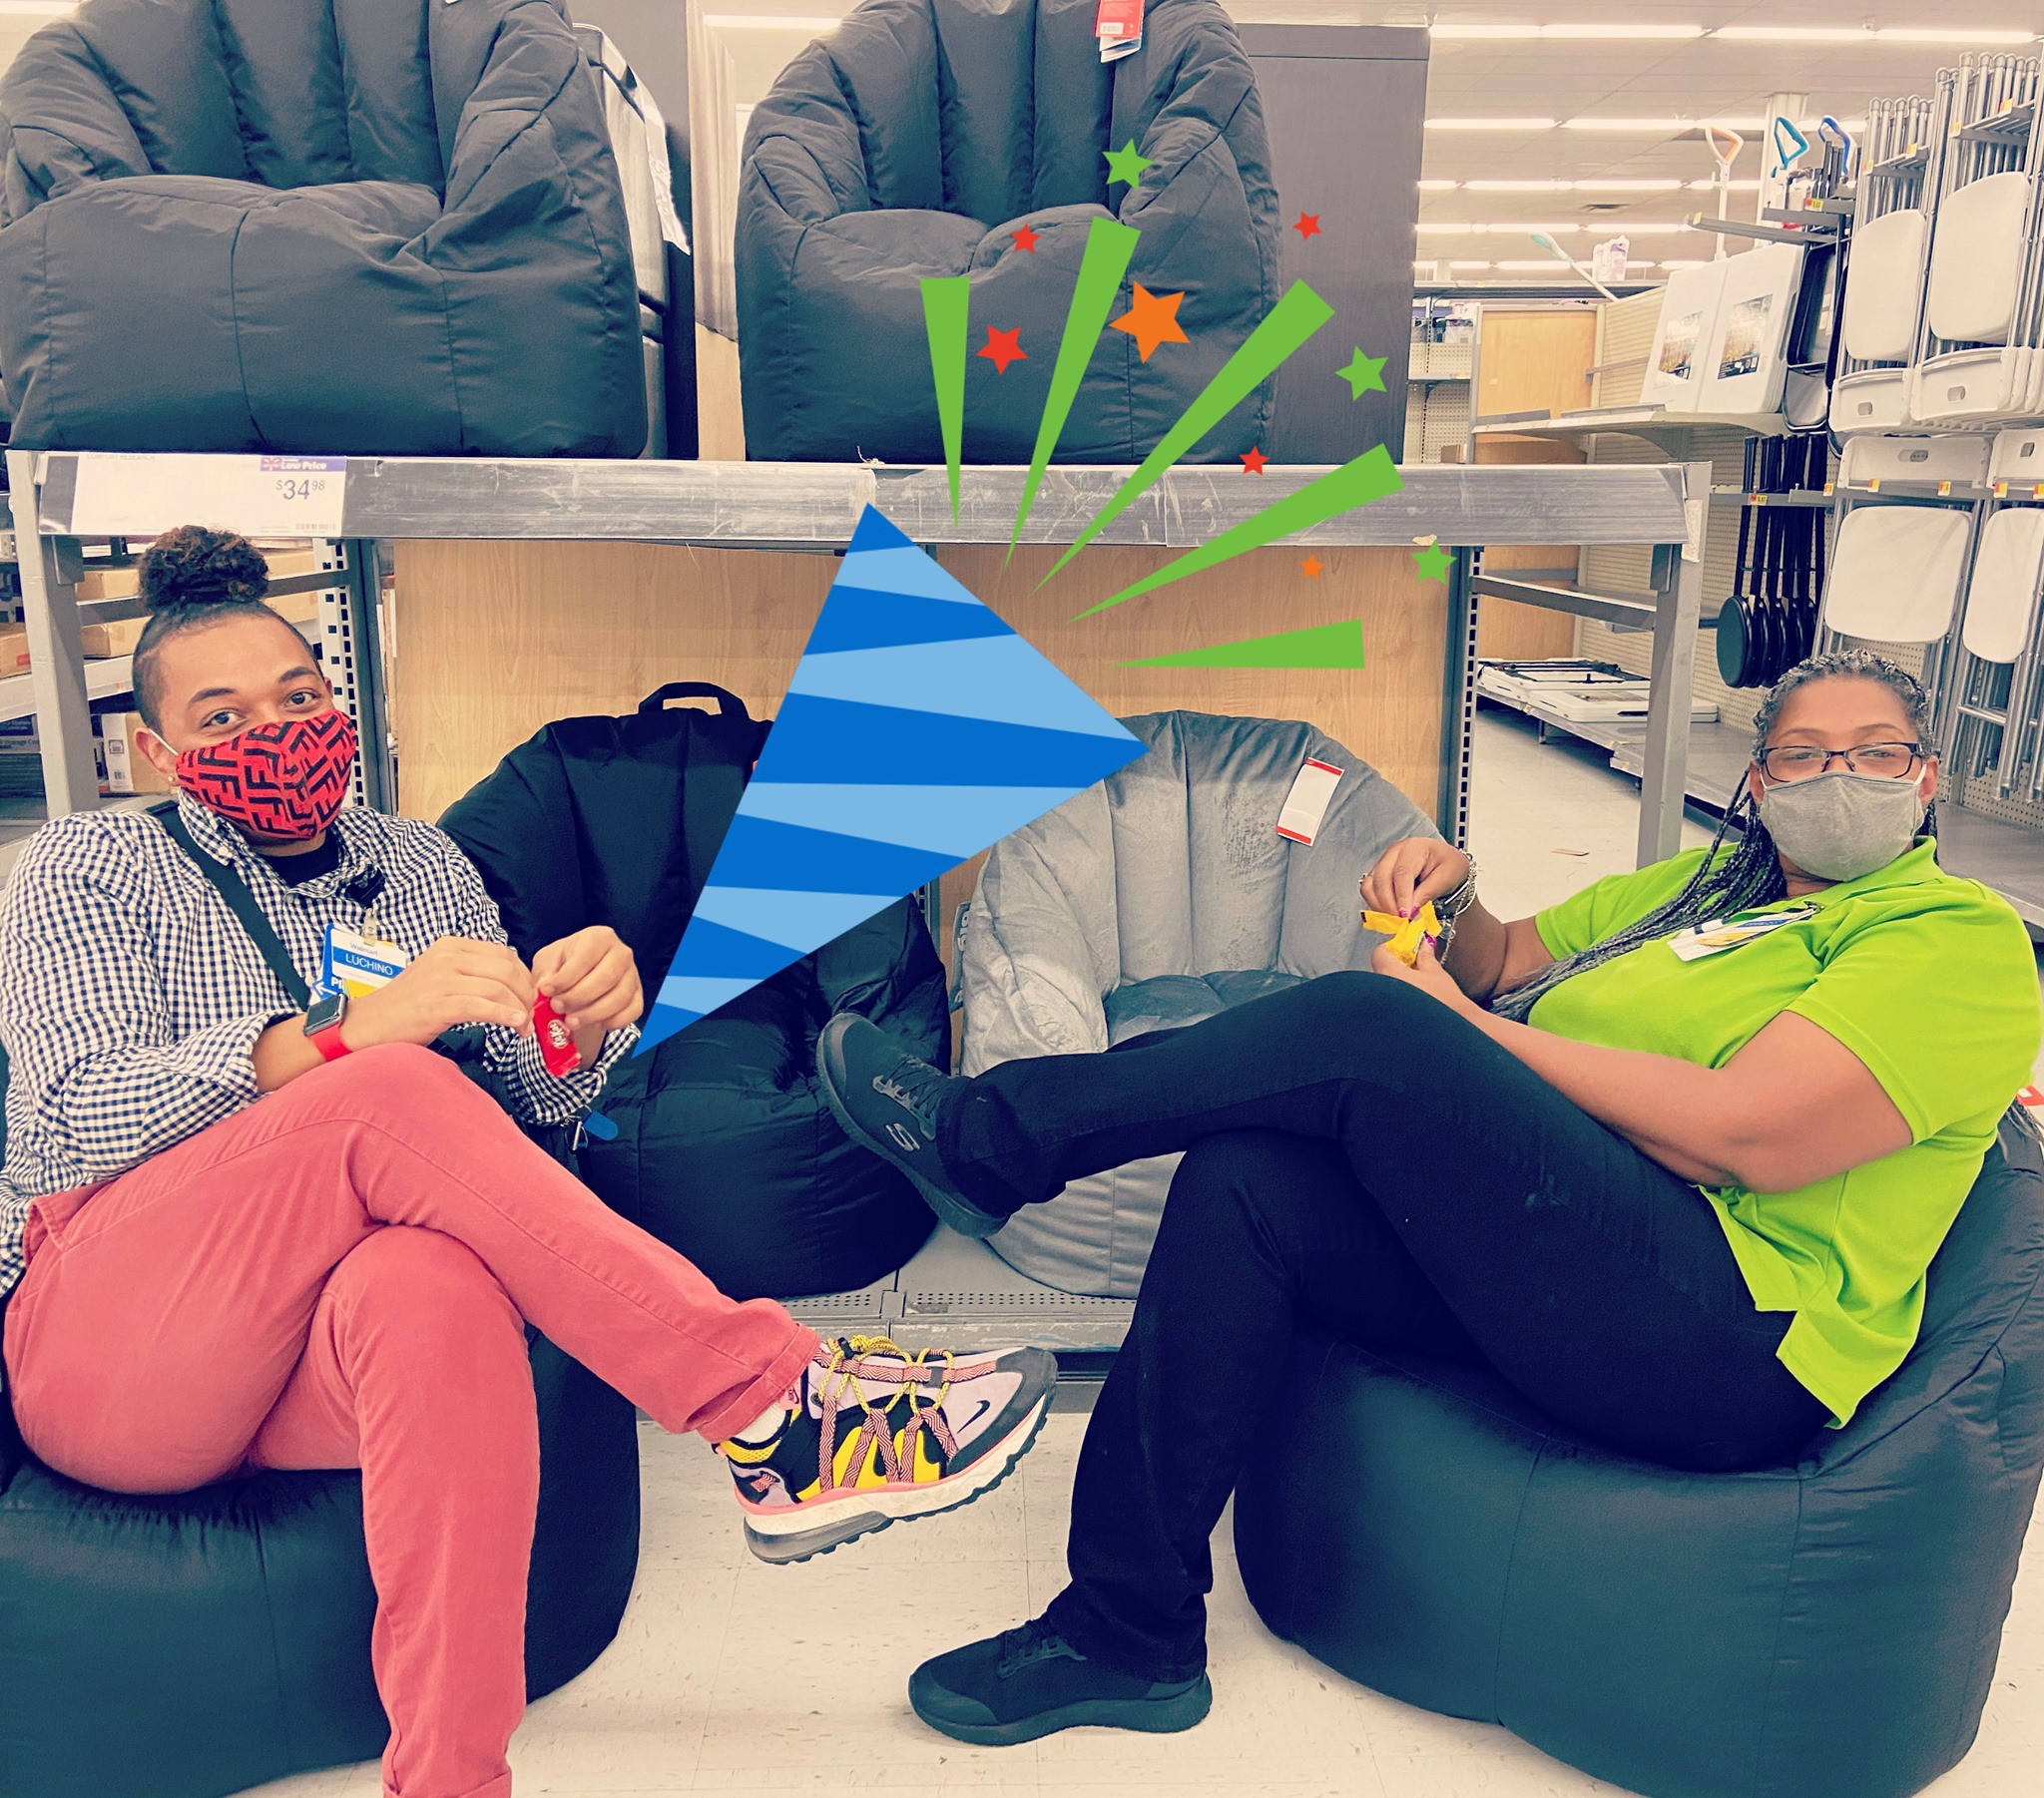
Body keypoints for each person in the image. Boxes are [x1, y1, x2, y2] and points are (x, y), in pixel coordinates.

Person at [812, 650, 2044, 1747]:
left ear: (1925, 776)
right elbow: (1501, 962)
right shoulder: (1698, 894)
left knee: (1368, 1022)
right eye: (1802, 754)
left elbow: (1745, 1135)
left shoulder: (1953, 937)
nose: (1838, 776)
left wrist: (1453, 1029)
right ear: (1758, 781)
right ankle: (1125, 1630)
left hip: (1732, 1335)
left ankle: (991, 1138)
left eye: (1873, 752)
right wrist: (1448, 899)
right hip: (1596, 1260)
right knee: (1246, 1180)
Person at [0, 528, 1057, 1798]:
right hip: (118, 1341)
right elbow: (68, 1110)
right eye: (222, 716)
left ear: (337, 704)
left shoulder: (417, 865)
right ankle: (771, 1403)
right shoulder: (88, 864)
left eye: (298, 697)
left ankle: (450, 1776)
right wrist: (338, 1035)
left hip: (309, 1348)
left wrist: (581, 1024)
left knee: (433, 1289)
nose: (274, 733)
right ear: (158, 752)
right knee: (385, 1084)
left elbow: (519, 1112)